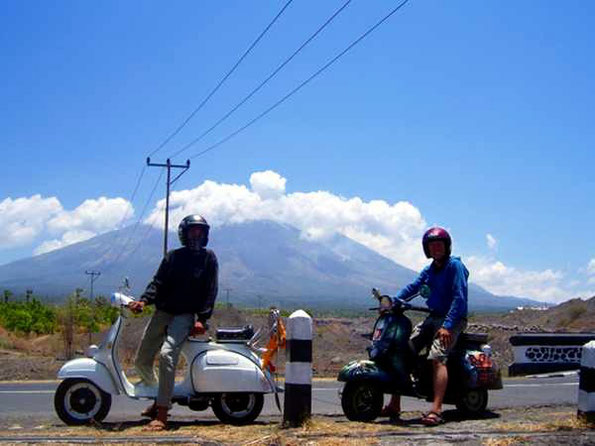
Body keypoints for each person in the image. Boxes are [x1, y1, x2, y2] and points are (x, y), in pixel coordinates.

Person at [128, 214, 218, 431]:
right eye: (192, 230)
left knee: (168, 355)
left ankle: (161, 412)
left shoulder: (208, 258)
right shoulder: (173, 257)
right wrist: (143, 300)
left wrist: (202, 319)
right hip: (162, 312)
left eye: (200, 231)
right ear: (184, 233)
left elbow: (210, 290)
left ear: (205, 235)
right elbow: (157, 283)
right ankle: (158, 395)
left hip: (185, 316)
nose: (197, 234)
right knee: (141, 360)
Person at [382, 226, 468, 426]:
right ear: (427, 249)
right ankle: (395, 404)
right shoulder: (429, 270)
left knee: (437, 357)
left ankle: (436, 410)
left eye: (439, 245)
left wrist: (447, 326)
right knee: (403, 351)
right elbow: (413, 287)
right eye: (432, 245)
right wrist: (392, 302)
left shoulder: (455, 266)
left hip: (452, 319)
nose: (436, 248)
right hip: (432, 317)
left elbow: (459, 298)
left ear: (447, 247)